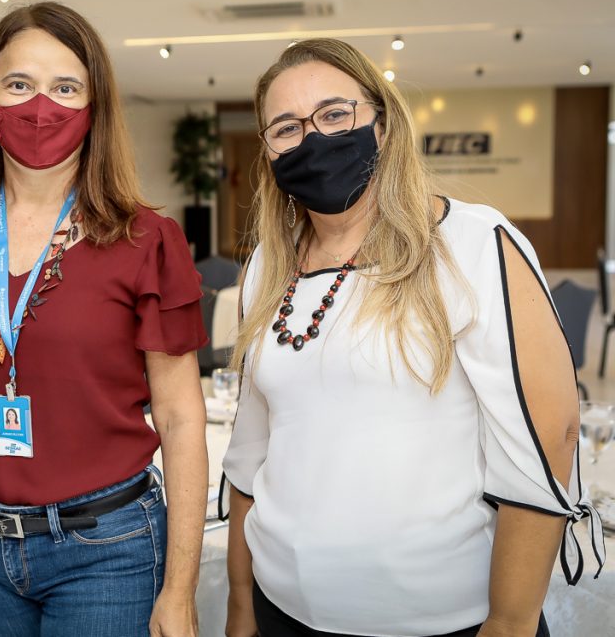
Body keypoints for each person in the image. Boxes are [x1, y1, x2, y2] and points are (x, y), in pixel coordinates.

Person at [223, 38, 604, 637]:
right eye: (287, 128)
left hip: (444, 621)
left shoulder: (473, 244)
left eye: (334, 114)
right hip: (282, 610)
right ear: (268, 151)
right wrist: (240, 608)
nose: (313, 139)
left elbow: (546, 442)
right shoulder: (268, 266)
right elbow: (250, 453)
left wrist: (510, 623)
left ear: (381, 122)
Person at [0, 1, 209, 637]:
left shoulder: (147, 240)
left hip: (107, 548)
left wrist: (181, 588)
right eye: (18, 84)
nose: (40, 106)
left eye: (66, 87)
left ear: (94, 105)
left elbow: (182, 418)